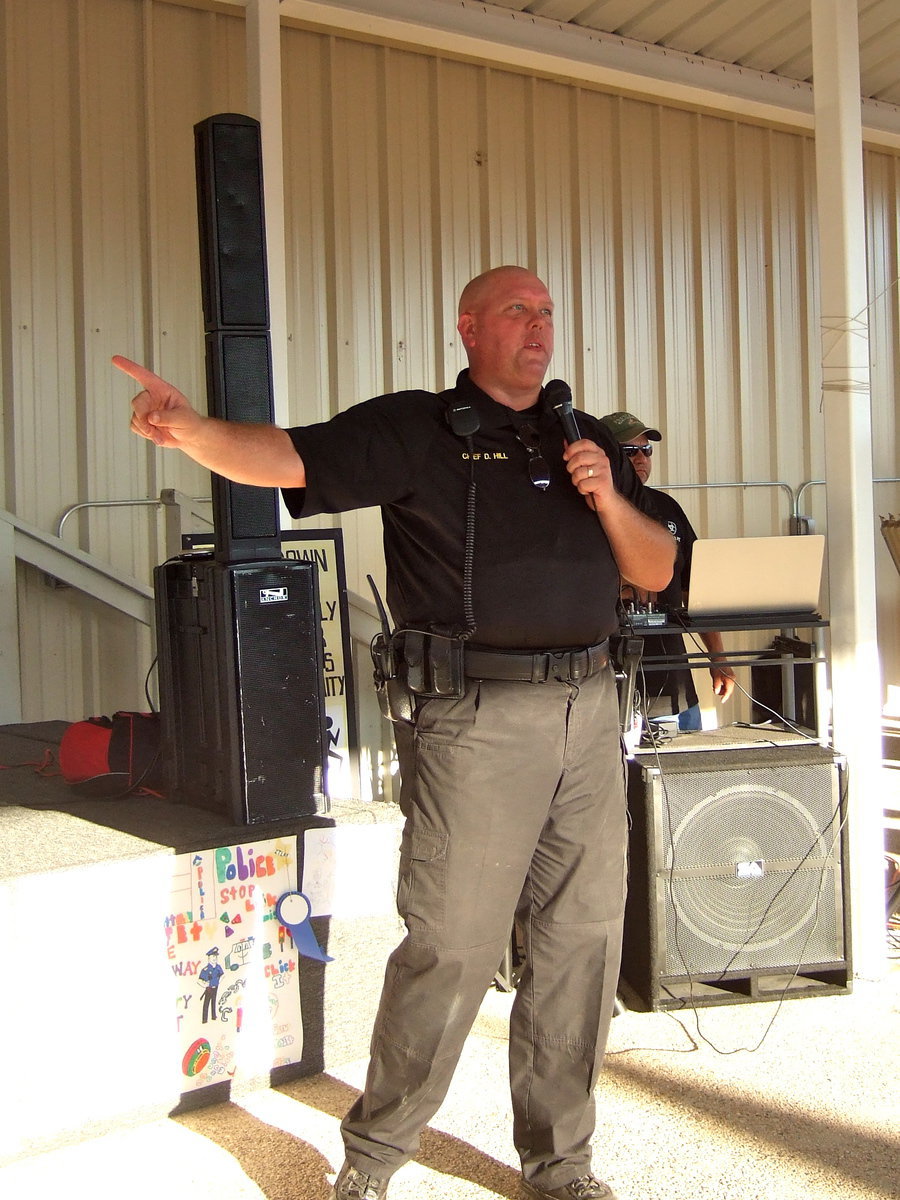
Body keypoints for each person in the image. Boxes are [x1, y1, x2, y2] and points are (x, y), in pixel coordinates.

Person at [115, 266, 675, 1200]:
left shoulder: (585, 443)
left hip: (589, 713)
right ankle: (375, 1159)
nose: (537, 329)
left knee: (581, 944)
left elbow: (654, 570)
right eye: (515, 312)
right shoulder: (419, 429)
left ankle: (561, 1167)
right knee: (452, 946)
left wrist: (610, 498)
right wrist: (191, 430)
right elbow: (287, 458)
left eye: (546, 314)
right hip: (477, 724)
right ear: (467, 327)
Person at [599, 411, 734, 730]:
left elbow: (696, 590)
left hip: (673, 683)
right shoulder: (583, 511)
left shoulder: (668, 507)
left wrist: (718, 656)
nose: (641, 458)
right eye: (629, 451)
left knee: (684, 778)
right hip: (608, 681)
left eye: (646, 450)